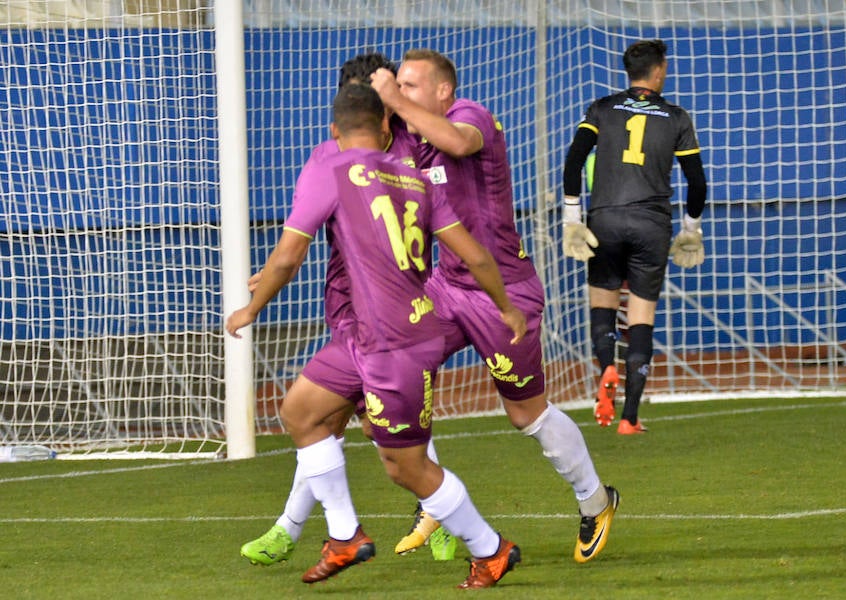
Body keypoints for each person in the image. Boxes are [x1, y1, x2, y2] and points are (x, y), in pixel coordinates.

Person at [227, 83, 526, 589]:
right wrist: (506, 308)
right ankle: (344, 535)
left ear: (333, 131)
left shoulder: (331, 168)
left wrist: (250, 309)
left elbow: (287, 257)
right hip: (374, 336)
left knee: (405, 468)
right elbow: (475, 254)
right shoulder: (415, 177)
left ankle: (491, 549)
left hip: (393, 345)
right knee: (300, 411)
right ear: (387, 127)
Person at [371, 49, 619, 564]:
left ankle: (596, 501)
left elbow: (457, 142)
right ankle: (432, 500)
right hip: (446, 285)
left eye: (411, 86)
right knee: (385, 367)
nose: (401, 94)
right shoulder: (409, 139)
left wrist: (394, 101)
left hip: (504, 290)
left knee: (524, 413)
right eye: (398, 86)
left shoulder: (470, 117)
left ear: (443, 91)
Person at [237, 52, 434, 568]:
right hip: (352, 312)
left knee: (338, 421)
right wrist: (273, 270)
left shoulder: (417, 149)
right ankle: (300, 527)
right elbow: (296, 239)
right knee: (330, 420)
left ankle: (440, 519)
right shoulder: (330, 158)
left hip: (399, 317)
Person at [561, 39, 708, 434]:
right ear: (659, 70)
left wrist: (572, 218)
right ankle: (629, 417)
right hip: (651, 224)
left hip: (605, 218)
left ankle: (606, 365)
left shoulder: (602, 109)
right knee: (641, 316)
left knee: (603, 305)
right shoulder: (676, 117)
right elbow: (697, 182)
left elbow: (574, 160)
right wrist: (691, 230)